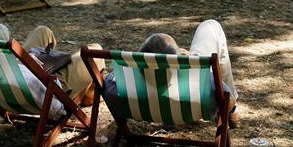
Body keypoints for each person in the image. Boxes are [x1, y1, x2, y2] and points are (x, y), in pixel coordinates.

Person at [102, 20, 240, 127]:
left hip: (149, 100)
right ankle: (233, 112)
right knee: (211, 25)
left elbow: (108, 81)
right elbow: (227, 100)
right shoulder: (205, 84)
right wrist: (230, 106)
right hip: (189, 96)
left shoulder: (117, 89)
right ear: (176, 65)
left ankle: (174, 54)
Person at [0, 19, 105, 114]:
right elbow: (53, 103)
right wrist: (31, 67)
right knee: (96, 50)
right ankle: (89, 97)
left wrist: (22, 62)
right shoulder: (24, 77)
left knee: (42, 31)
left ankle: (87, 89)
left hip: (11, 74)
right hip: (48, 87)